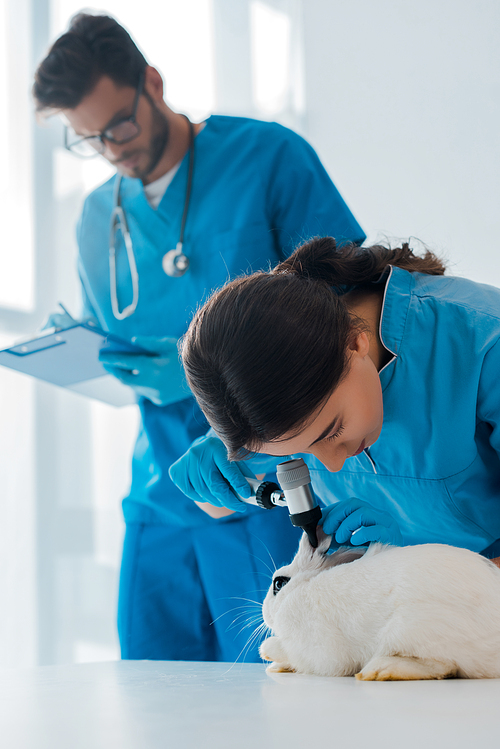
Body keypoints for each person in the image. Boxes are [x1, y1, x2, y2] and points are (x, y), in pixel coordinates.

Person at [32, 13, 366, 661]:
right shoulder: (97, 216)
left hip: (263, 473)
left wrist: (200, 367)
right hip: (159, 486)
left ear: (151, 82)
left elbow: (349, 297)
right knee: (151, 690)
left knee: (271, 682)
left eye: (119, 125)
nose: (112, 149)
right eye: (89, 139)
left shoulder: (266, 157)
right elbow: (112, 342)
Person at [170, 237, 500, 566]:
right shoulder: (268, 395)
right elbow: (218, 507)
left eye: (333, 430)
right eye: (296, 451)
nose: (332, 465)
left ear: (355, 343)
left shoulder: (482, 341)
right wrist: (208, 479)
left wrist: (413, 573)